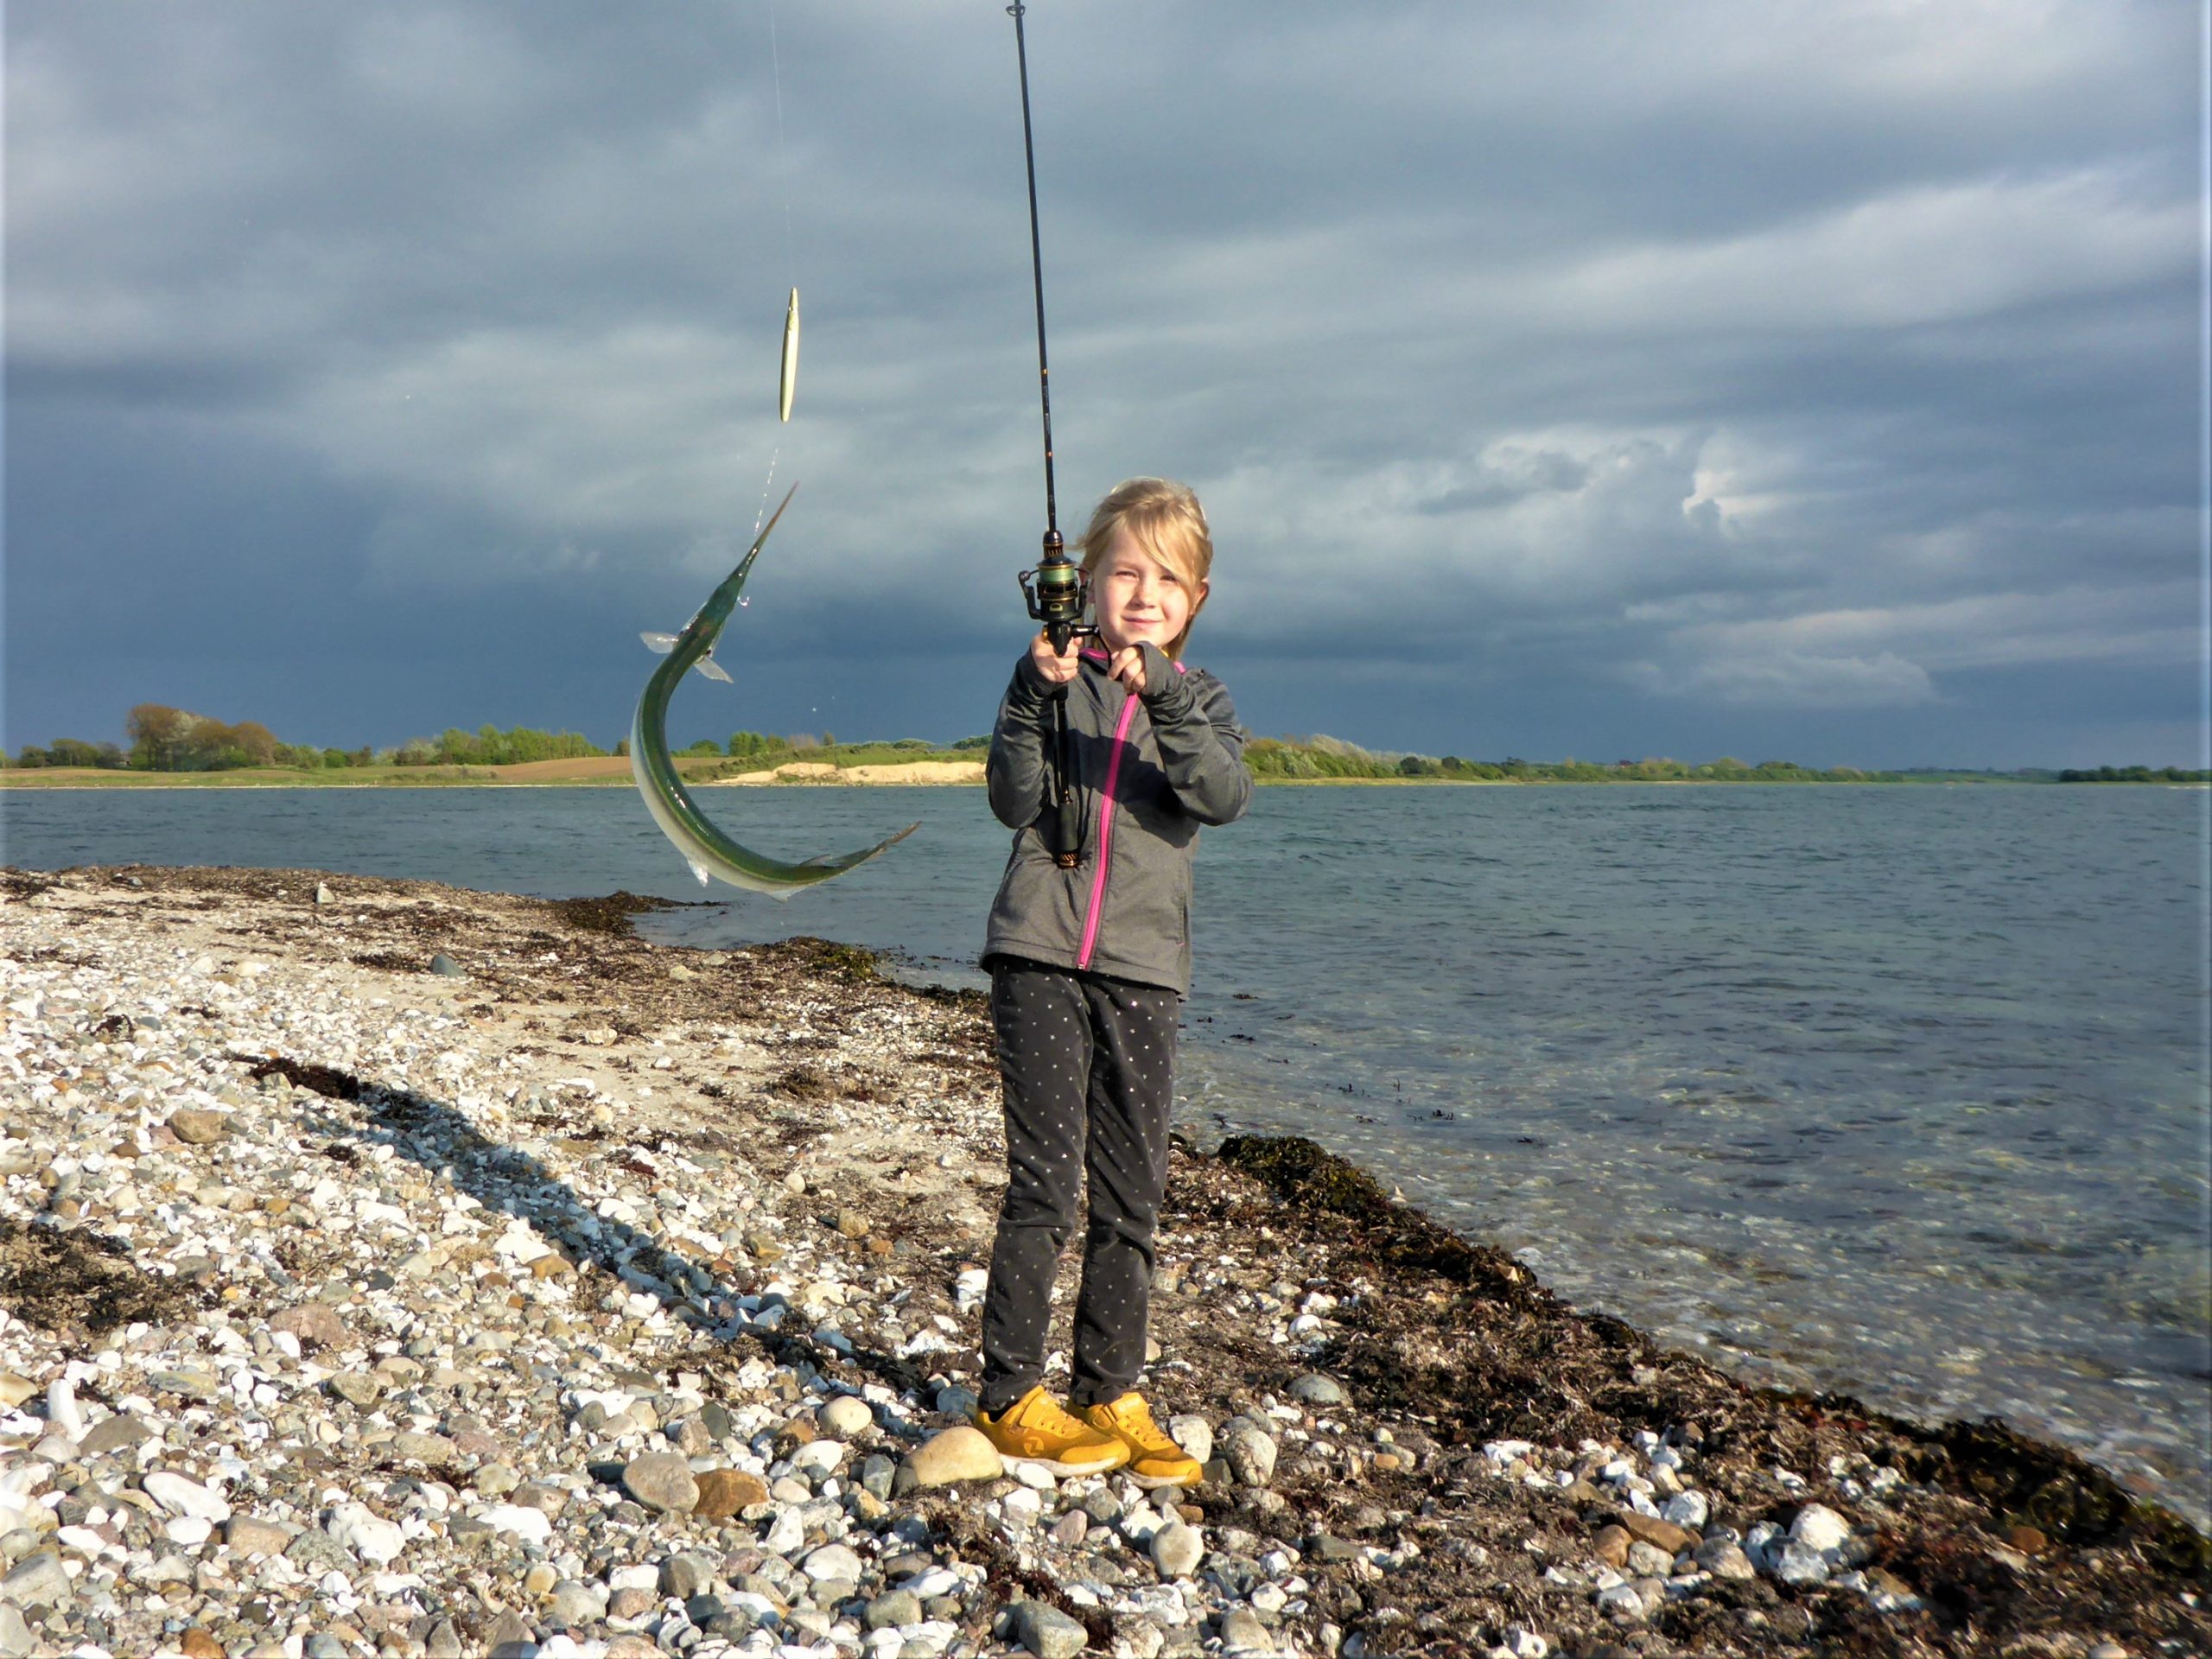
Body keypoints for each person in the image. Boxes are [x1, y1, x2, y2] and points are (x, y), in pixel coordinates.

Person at [971, 477, 1252, 1484]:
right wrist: (1026, 696)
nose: (1143, 593)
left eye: (1166, 579)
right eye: (1124, 572)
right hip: (1037, 957)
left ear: (1196, 598)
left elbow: (1219, 795)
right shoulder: (1050, 678)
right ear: (1081, 583)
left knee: (1131, 1194)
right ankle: (1010, 1394)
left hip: (1144, 972)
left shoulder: (1203, 699)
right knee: (1045, 1183)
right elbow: (1011, 800)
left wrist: (1161, 694)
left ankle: (1109, 1389)